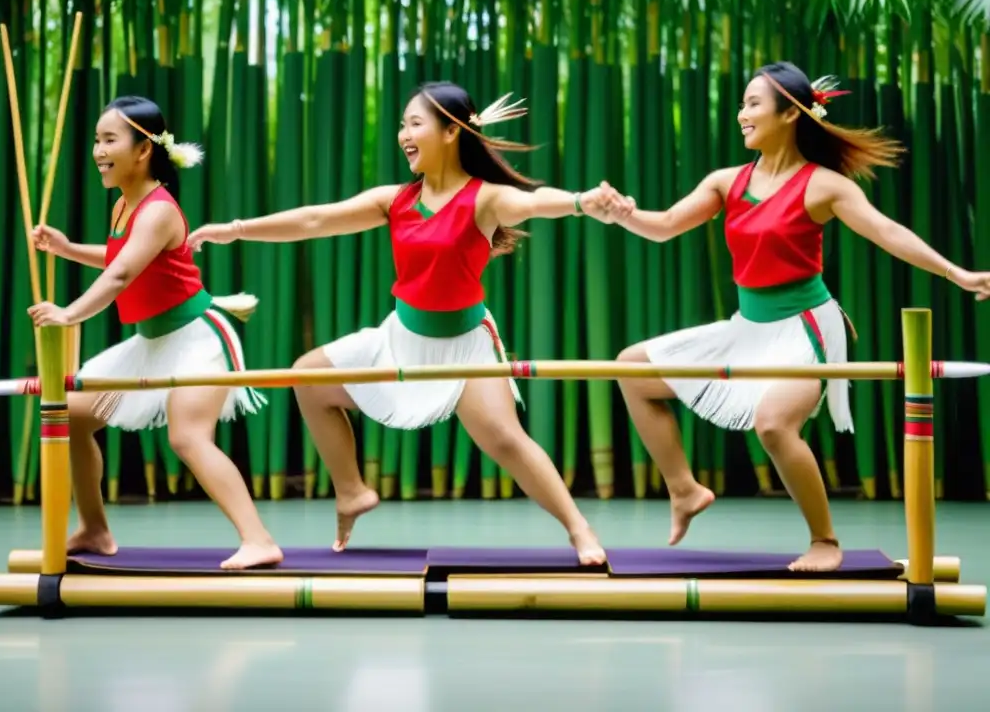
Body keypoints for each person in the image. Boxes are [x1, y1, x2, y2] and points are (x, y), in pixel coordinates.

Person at [187, 81, 633, 564]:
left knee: (507, 440)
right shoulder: (395, 199)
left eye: (414, 123)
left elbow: (531, 203)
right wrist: (236, 230)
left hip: (464, 344)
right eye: (402, 124)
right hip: (400, 337)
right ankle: (352, 492)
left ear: (450, 131)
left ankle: (580, 531)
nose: (403, 134)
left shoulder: (483, 200)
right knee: (309, 378)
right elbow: (316, 220)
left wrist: (582, 202)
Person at [609, 61, 990, 572]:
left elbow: (887, 232)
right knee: (631, 369)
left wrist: (956, 274)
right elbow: (665, 226)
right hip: (748, 328)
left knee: (773, 424)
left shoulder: (823, 186)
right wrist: (624, 213)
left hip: (805, 327)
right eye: (742, 104)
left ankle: (825, 541)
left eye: (752, 104)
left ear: (790, 113)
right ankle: (684, 491)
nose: (741, 114)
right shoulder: (726, 182)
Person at [28, 95, 283, 571]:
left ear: (143, 149)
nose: (98, 150)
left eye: (110, 140)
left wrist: (69, 314)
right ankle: (96, 530)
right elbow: (123, 261)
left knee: (188, 437)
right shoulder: (124, 206)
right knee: (75, 416)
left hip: (195, 337)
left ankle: (259, 539)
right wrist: (65, 249)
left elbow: (122, 276)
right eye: (96, 140)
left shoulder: (159, 208)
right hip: (152, 342)